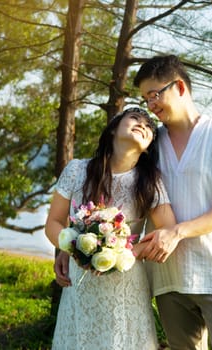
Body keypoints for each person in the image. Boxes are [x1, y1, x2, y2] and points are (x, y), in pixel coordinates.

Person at [133, 55, 212, 350]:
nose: (151, 106)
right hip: (168, 278)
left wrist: (177, 232)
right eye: (145, 99)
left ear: (180, 87)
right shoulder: (149, 144)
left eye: (154, 95)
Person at [46, 107, 176, 350]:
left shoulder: (149, 181)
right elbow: (53, 222)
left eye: (148, 127)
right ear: (114, 128)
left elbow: (167, 231)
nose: (142, 125)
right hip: (80, 283)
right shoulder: (76, 170)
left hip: (127, 283)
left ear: (148, 147)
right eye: (134, 119)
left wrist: (127, 253)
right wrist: (72, 247)